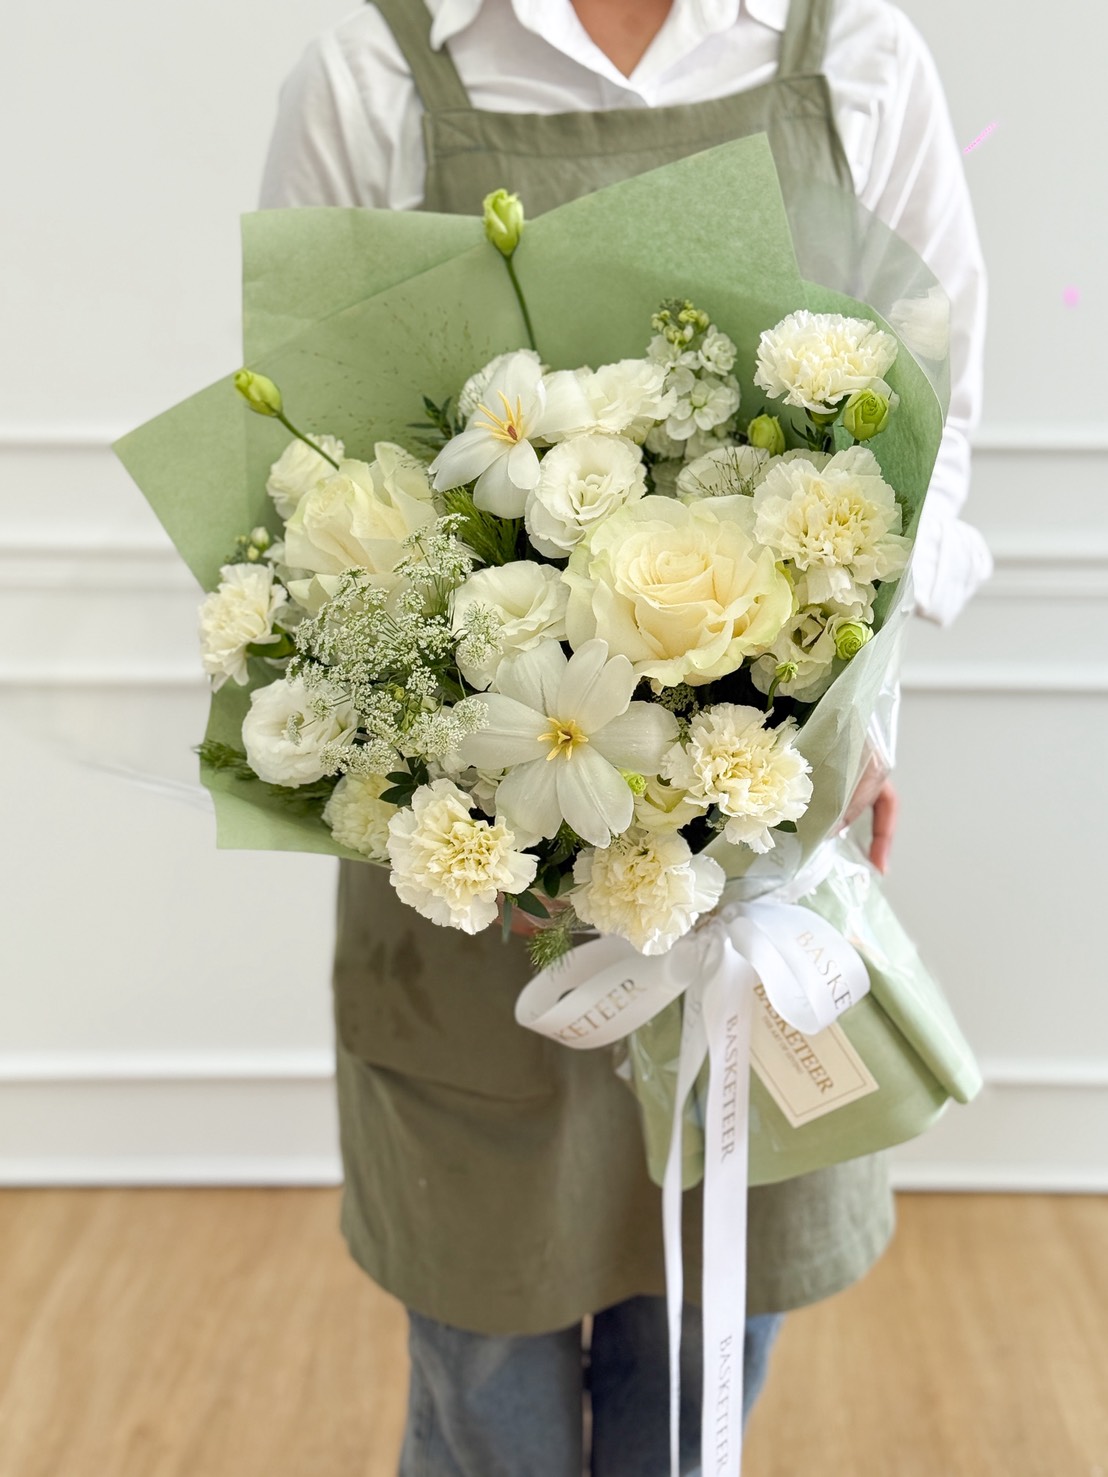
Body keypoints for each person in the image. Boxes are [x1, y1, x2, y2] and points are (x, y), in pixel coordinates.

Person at [258, 2, 991, 1472]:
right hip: (469, 858)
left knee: (705, 1362)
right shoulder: (376, 74)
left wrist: (864, 729)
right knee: (486, 1387)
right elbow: (304, 472)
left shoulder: (855, 61)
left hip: (752, 832)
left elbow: (936, 429)